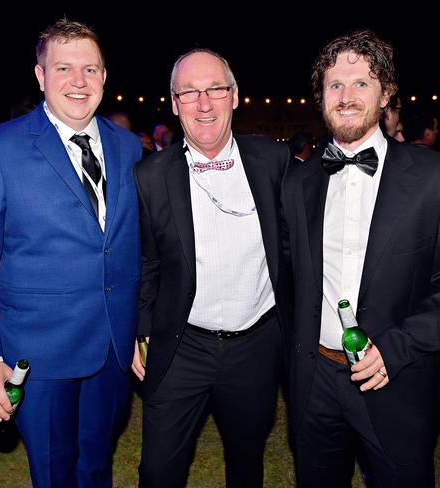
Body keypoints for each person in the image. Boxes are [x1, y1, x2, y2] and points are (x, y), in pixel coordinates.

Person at [281, 30, 440, 486]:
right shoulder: (299, 183)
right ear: (321, 97)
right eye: (335, 85)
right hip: (313, 381)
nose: (346, 96)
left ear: (387, 92)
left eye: (361, 83)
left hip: (398, 380)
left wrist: (396, 348)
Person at [0, 18, 142, 488]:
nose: (79, 81)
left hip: (115, 348)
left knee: (96, 466)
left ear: (104, 76)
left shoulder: (128, 147)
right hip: (37, 355)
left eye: (90, 69)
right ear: (40, 76)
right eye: (64, 68)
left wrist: (145, 326)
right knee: (56, 473)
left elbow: (136, 248)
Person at [132, 48, 292, 488]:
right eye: (189, 92)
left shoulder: (273, 162)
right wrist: (139, 330)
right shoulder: (149, 176)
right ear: (174, 101)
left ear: (235, 96)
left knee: (246, 461)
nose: (204, 104)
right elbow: (146, 263)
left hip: (256, 346)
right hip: (182, 347)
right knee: (158, 470)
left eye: (215, 90)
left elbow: (294, 245)